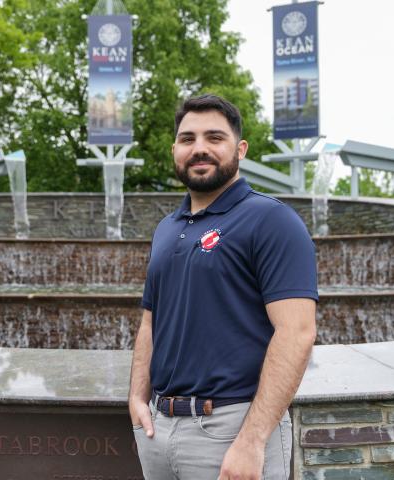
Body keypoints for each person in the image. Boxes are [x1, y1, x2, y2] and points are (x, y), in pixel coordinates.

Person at [129, 94, 318, 480]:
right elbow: (151, 321)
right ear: (175, 150)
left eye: (214, 137)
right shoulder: (166, 229)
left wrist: (252, 440)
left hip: (232, 429)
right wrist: (136, 396)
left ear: (240, 149)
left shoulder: (272, 221)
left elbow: (297, 332)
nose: (199, 148)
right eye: (188, 139)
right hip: (157, 430)